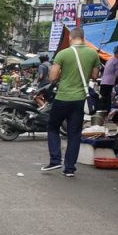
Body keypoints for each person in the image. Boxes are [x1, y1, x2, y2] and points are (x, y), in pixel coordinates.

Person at [41, 26, 99, 177]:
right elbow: (94, 76)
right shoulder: (93, 54)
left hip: (63, 97)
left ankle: (55, 160)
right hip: (80, 100)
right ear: (84, 38)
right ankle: (69, 169)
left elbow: (53, 77)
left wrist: (61, 73)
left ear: (70, 38)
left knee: (53, 126)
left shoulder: (63, 53)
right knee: (74, 134)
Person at [97, 44, 118, 123]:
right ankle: (107, 116)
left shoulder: (109, 60)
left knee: (103, 99)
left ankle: (101, 115)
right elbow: (117, 74)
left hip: (103, 82)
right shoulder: (117, 61)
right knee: (107, 100)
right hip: (110, 82)